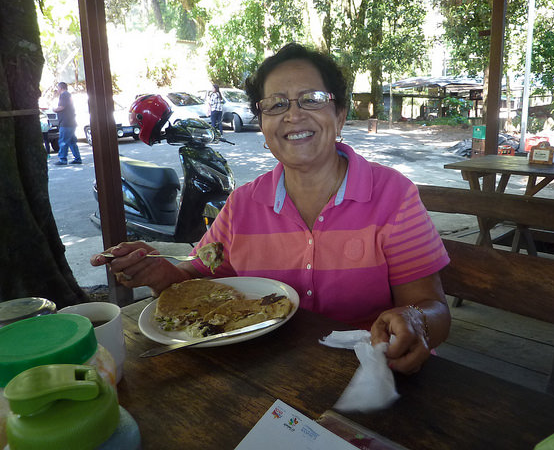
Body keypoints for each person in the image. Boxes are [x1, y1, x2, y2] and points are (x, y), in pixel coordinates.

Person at [90, 43, 451, 374]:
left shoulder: (392, 196)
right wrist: (161, 273)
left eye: (311, 99)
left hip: (371, 373)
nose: (293, 115)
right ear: (262, 126)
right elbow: (195, 277)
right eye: (276, 105)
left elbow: (432, 308)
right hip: (266, 374)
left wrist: (416, 320)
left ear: (340, 114)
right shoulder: (242, 205)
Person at [53, 82, 82, 165]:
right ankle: (77, 158)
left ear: (61, 88)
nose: (57, 90)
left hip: (65, 123)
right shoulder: (68, 95)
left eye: (58, 88)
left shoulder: (64, 95)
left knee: (63, 141)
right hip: (71, 122)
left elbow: (61, 107)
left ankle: (63, 159)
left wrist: (54, 109)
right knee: (72, 142)